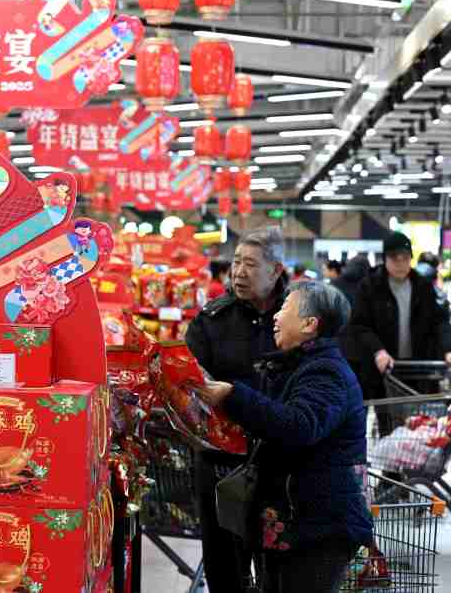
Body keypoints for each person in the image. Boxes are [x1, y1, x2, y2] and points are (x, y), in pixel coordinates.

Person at [196, 281, 373, 593]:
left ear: (309, 324)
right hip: (295, 522)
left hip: (318, 529)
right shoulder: (296, 366)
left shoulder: (325, 373)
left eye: (285, 309)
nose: (276, 316)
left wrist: (233, 396)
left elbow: (298, 426)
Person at [185, 226, 287, 593]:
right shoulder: (212, 320)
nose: (239, 272)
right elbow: (188, 381)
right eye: (237, 263)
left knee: (280, 566)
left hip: (281, 460)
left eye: (251, 265)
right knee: (224, 565)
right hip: (221, 461)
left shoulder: (296, 317)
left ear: (276, 270)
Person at [349, 232, 451, 401]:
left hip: (419, 368)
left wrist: (448, 349)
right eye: (394, 258)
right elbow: (360, 325)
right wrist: (378, 350)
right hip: (384, 369)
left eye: (405, 258)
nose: (400, 263)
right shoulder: (370, 286)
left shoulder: (422, 286)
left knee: (420, 413)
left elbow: (439, 320)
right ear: (385, 258)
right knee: (387, 413)